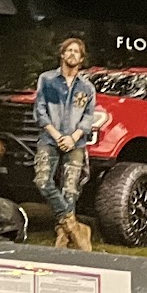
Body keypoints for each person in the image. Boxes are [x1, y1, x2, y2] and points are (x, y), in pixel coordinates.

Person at [32, 36, 96, 251]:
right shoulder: (47, 80)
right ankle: (73, 225)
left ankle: (63, 236)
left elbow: (88, 117)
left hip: (76, 142)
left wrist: (73, 137)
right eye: (69, 50)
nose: (72, 54)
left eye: (76, 51)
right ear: (62, 54)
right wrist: (56, 134)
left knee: (70, 189)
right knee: (42, 181)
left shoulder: (87, 87)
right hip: (49, 138)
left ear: (81, 59)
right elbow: (40, 110)